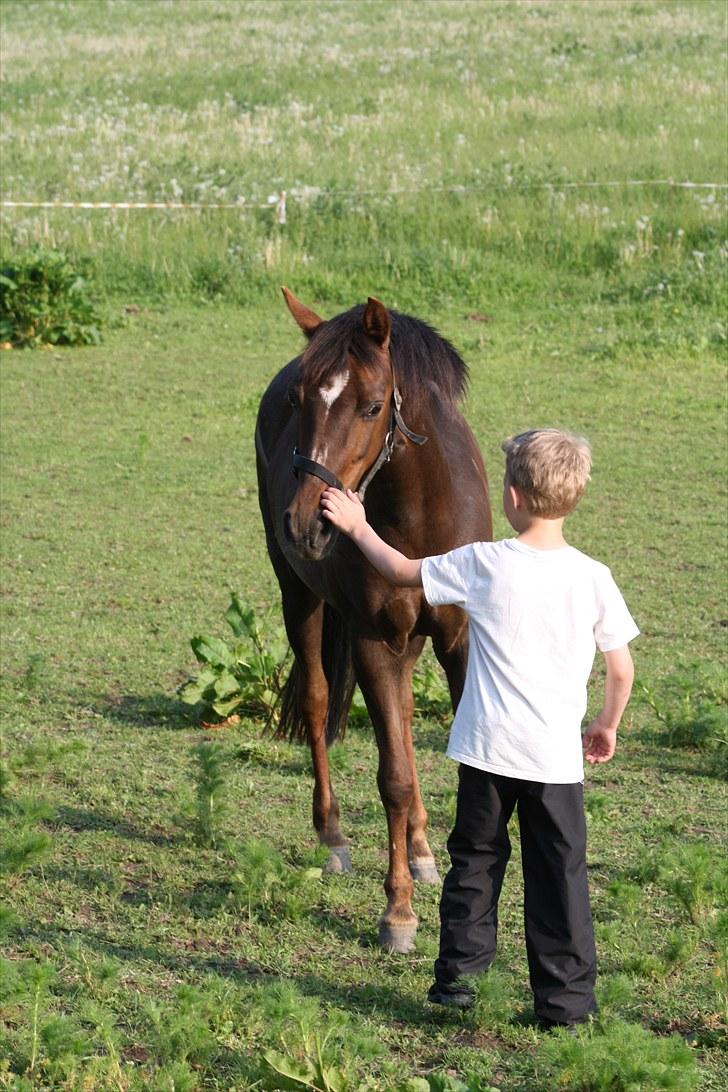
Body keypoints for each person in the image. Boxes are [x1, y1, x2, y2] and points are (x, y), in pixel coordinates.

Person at [320, 428, 639, 1030]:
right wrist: (606, 724)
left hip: (487, 753)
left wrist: (358, 525)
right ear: (574, 498)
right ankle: (566, 1007)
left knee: (474, 864)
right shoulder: (593, 577)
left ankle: (459, 986)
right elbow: (621, 669)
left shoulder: (483, 562)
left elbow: (400, 569)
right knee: (560, 877)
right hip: (554, 762)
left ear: (512, 496)